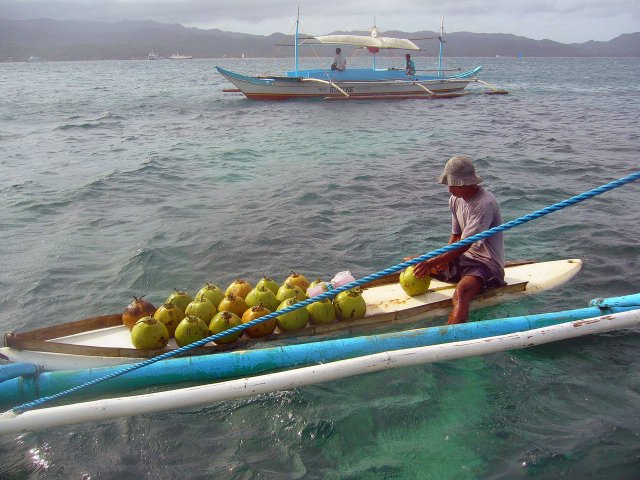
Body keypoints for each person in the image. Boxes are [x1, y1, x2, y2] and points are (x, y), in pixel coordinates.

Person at [412, 155, 505, 324]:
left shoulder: (485, 204)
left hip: (486, 265)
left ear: (465, 183)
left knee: (461, 292)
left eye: (453, 185)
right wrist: (442, 260)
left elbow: (465, 244)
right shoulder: (455, 199)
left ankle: (451, 337)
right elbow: (456, 236)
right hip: (463, 258)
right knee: (413, 262)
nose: (449, 190)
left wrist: (433, 262)